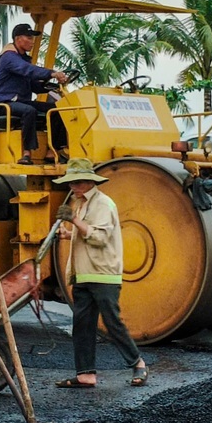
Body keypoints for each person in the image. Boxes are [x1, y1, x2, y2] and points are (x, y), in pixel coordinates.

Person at [51, 158, 147, 388]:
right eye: (70, 183)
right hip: (83, 275)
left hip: (103, 275)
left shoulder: (104, 204)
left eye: (75, 183)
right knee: (82, 325)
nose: (71, 187)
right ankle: (85, 374)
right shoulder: (82, 204)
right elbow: (86, 233)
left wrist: (72, 220)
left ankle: (138, 363)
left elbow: (100, 237)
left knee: (112, 323)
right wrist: (67, 233)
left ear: (87, 182)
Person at [0, 23, 70, 165]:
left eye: (33, 38)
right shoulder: (9, 57)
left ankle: (54, 151)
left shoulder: (22, 59)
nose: (32, 42)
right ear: (17, 39)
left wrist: (50, 87)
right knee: (29, 111)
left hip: (20, 102)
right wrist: (51, 73)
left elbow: (33, 84)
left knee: (57, 109)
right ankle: (27, 153)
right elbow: (27, 69)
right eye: (29, 37)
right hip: (4, 104)